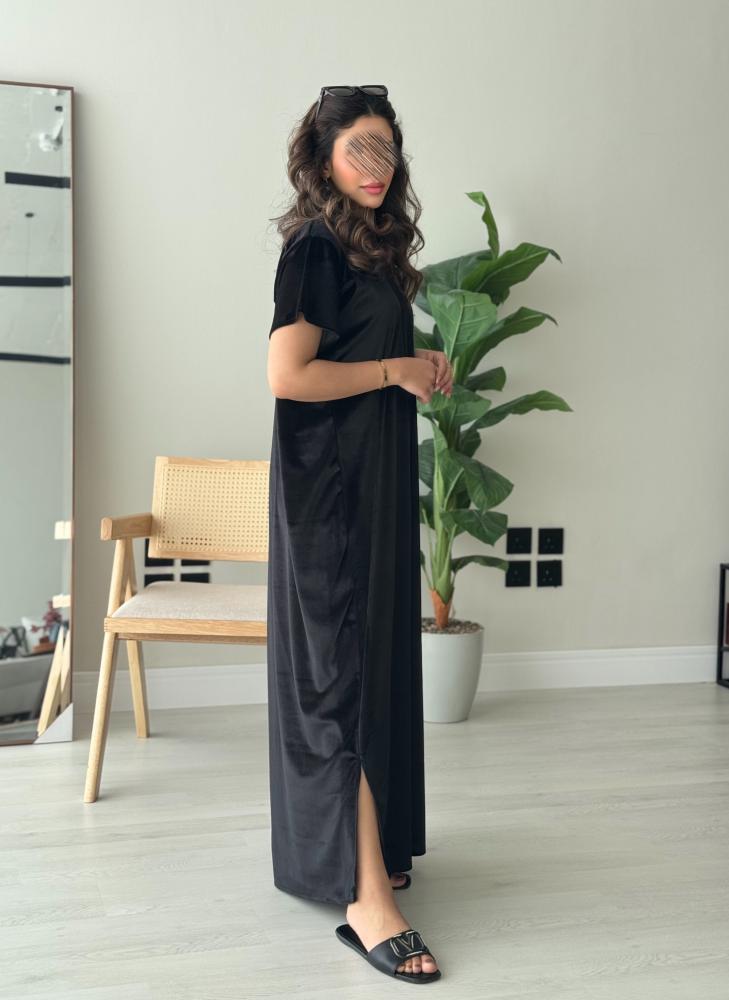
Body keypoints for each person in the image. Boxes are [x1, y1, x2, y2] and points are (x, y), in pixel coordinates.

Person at [266, 84, 453, 984]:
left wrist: (414, 367)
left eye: (386, 149)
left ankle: (372, 846)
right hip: (329, 490)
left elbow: (367, 359)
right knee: (341, 675)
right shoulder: (312, 245)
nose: (375, 168)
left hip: (371, 478)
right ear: (324, 159)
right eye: (358, 150)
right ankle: (364, 896)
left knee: (372, 661)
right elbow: (288, 375)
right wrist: (391, 369)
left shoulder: (370, 247)